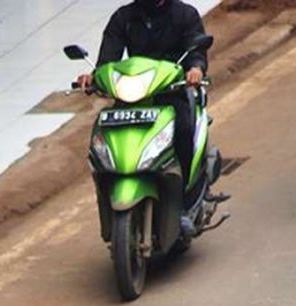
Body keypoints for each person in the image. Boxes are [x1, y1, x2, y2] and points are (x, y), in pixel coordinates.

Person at [76, 0, 209, 196]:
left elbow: (196, 51)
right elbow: (107, 60)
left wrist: (195, 69)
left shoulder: (184, 14)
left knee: (183, 129)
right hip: (134, 95)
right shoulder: (124, 17)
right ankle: (109, 184)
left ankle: (186, 195)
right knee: (103, 136)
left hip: (170, 92)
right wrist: (94, 77)